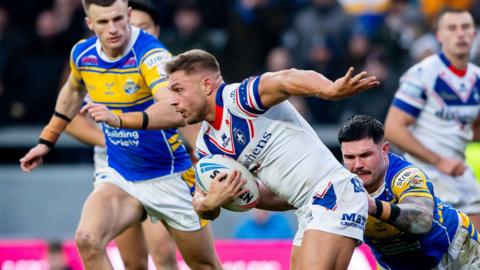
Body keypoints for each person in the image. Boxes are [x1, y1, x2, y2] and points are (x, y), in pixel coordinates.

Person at [94, 49, 379, 269]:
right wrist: (210, 203)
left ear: (207, 85)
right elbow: (201, 201)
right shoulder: (207, 145)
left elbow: (285, 78)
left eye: (179, 90)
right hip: (308, 209)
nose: (173, 100)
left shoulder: (238, 99)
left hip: (333, 193)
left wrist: (328, 89)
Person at [19, 1, 222, 269]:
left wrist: (119, 120)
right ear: (90, 23)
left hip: (168, 175)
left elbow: (176, 109)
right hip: (120, 174)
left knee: (201, 264)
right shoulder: (82, 53)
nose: (113, 28)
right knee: (87, 239)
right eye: (103, 22)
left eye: (118, 19)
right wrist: (46, 140)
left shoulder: (151, 54)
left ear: (128, 15)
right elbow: (72, 91)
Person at [63, 0, 180, 269]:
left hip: (158, 168)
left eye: (143, 27)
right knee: (132, 261)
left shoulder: (162, 64)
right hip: (114, 170)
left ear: (156, 30)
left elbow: (184, 114)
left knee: (162, 250)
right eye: (107, 22)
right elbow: (68, 118)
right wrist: (111, 140)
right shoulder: (90, 61)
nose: (119, 30)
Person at [338, 114, 480, 270]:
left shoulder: (406, 175)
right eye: (349, 157)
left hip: (454, 250)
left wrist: (374, 206)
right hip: (398, 265)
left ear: (384, 149)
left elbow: (422, 221)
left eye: (365, 155)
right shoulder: (340, 186)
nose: (357, 165)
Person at [384, 8, 480, 229]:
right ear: (439, 35)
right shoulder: (422, 74)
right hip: (425, 176)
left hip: (459, 172)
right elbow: (393, 127)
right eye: (452, 28)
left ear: (474, 33)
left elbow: (473, 128)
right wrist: (439, 161)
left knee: (474, 254)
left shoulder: (477, 78)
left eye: (466, 27)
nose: (460, 34)